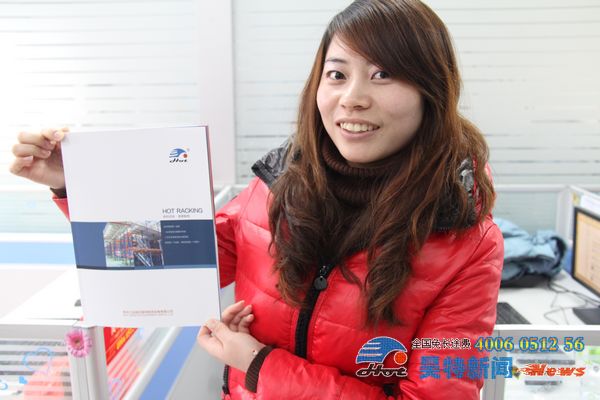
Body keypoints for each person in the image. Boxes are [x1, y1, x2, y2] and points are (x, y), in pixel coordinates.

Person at [10, 0, 504, 398]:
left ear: (431, 92)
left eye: (382, 75)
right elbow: (170, 260)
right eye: (337, 74)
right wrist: (74, 185)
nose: (352, 97)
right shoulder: (281, 183)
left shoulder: (467, 240)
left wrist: (256, 363)